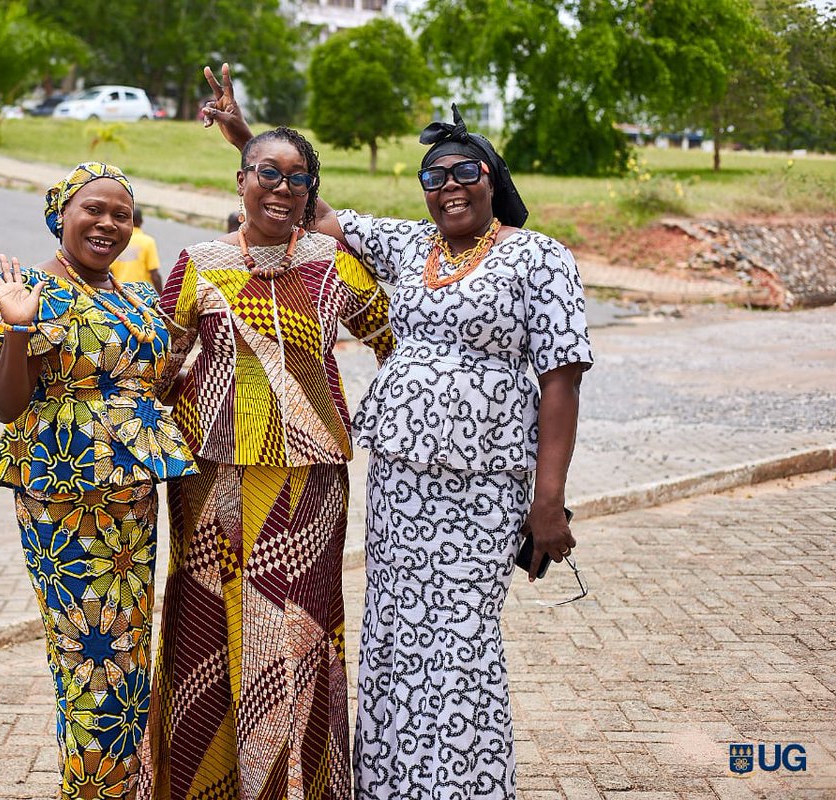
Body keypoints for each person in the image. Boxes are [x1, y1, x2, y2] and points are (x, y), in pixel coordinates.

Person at [203, 66, 593, 799]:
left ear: (492, 178)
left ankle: (465, 787)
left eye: (465, 171)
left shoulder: (539, 257)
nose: (449, 187)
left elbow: (562, 380)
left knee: (462, 638)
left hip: (485, 483)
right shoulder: (412, 245)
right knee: (393, 632)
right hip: (400, 480)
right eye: (433, 176)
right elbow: (309, 206)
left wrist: (549, 502)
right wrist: (247, 139)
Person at [140, 120, 394, 798]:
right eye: (268, 174)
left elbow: (397, 342)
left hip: (311, 482)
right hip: (212, 479)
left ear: (311, 190)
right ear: (241, 181)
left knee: (299, 629)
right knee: (207, 624)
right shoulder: (198, 263)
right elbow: (158, 366)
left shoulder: (334, 262)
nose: (282, 188)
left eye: (297, 178)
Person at [0, 162, 196, 800]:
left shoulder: (137, 297)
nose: (108, 223)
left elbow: (155, 387)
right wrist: (18, 327)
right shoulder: (29, 291)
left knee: (129, 659)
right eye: (93, 209)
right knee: (88, 660)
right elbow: (6, 406)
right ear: (61, 214)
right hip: (62, 500)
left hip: (133, 500)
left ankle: (125, 788)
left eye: (122, 214)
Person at [111, 206, 164, 292]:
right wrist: (162, 296)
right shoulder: (147, 242)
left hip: (120, 292)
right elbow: (155, 275)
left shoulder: (117, 240)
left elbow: (109, 271)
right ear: (141, 221)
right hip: (141, 293)